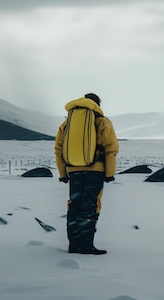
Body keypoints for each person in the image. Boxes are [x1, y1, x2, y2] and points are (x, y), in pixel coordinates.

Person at [54, 93, 119, 255]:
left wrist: (63, 173)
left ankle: (74, 245)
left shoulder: (67, 123)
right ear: (97, 104)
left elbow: (58, 150)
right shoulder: (102, 121)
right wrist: (109, 174)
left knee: (74, 206)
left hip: (73, 170)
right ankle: (86, 245)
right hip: (95, 171)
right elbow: (111, 149)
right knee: (90, 205)